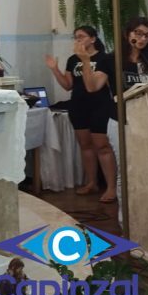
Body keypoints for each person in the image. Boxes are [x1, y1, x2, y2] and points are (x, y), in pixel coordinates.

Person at [79, 17, 148, 204]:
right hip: (122, 120)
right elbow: (92, 86)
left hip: (146, 120)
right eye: (138, 33)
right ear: (128, 34)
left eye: (147, 35)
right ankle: (125, 221)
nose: (142, 39)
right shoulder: (111, 60)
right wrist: (86, 61)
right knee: (126, 169)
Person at [44, 26, 113, 199]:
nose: (77, 41)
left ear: (93, 39)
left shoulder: (104, 59)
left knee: (102, 147)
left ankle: (111, 186)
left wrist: (86, 60)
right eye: (75, 38)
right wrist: (54, 69)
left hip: (100, 105)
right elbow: (68, 85)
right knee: (85, 145)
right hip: (78, 105)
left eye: (81, 37)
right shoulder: (73, 59)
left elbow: (96, 87)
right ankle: (91, 182)